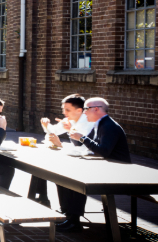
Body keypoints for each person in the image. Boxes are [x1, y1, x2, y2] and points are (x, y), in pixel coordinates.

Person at [55, 97, 131, 233]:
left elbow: (103, 151)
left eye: (86, 109)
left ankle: (73, 220)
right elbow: (81, 143)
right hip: (106, 166)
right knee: (62, 177)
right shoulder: (99, 123)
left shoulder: (109, 126)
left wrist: (82, 137)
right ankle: (68, 215)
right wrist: (71, 131)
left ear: (96, 109)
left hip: (118, 170)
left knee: (76, 179)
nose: (84, 113)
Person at [27, 94, 91, 207]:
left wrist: (60, 145)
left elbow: (85, 149)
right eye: (63, 109)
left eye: (67, 109)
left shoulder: (87, 123)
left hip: (86, 161)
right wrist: (45, 125)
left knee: (59, 174)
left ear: (79, 110)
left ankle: (67, 212)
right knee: (40, 164)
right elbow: (53, 131)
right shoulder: (69, 120)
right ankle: (42, 198)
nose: (64, 112)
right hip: (75, 157)